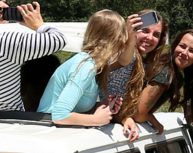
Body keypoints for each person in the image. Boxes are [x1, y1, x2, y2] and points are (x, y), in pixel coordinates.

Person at [39, 10, 140, 139]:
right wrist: (97, 119)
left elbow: (74, 109)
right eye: (122, 36)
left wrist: (102, 106)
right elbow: (60, 115)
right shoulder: (85, 66)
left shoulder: (91, 63)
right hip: (49, 133)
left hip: (57, 133)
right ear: (114, 39)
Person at [137, 29, 193, 133]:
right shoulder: (165, 73)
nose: (184, 53)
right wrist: (156, 123)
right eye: (182, 46)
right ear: (175, 46)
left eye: (192, 51)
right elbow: (139, 113)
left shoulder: (177, 76)